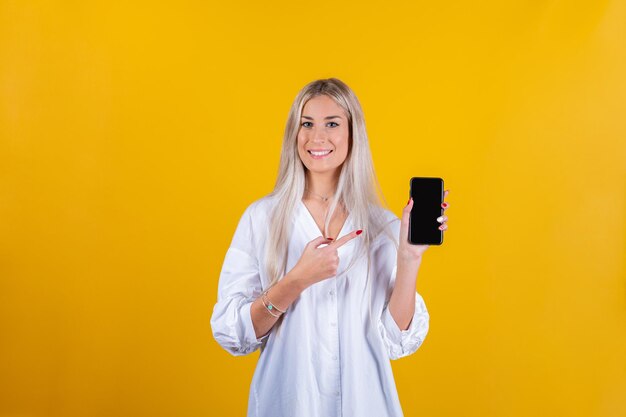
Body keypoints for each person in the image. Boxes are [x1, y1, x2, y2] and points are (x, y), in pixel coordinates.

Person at [210, 78, 450, 417]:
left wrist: (409, 257)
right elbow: (233, 331)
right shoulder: (261, 219)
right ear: (294, 133)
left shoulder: (382, 227)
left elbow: (396, 340)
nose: (317, 137)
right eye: (306, 123)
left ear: (353, 134)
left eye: (332, 123)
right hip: (289, 404)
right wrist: (297, 280)